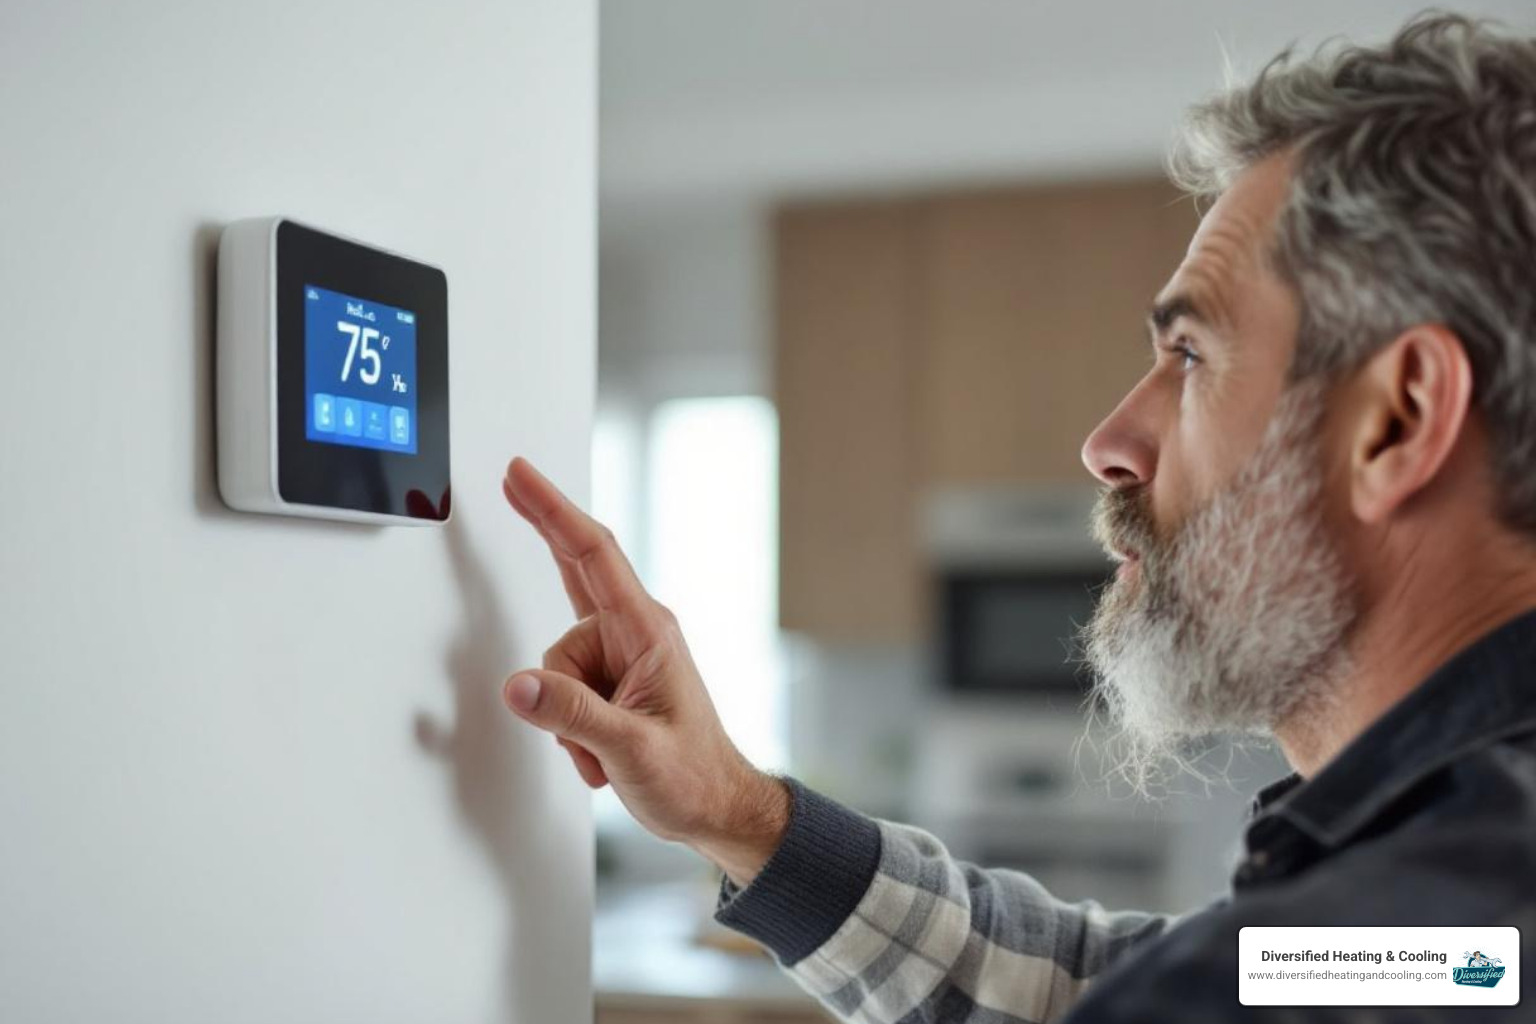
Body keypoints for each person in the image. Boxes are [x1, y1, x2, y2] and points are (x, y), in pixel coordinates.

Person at [499, 12, 1536, 1023]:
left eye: (1190, 357)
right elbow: (1100, 986)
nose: (1107, 440)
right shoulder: (1447, 947)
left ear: (1397, 419)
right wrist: (735, 810)